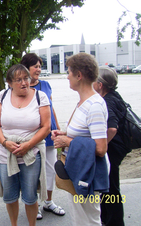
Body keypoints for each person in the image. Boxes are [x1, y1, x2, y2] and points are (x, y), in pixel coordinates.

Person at [0, 64, 51, 226]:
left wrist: (29, 145)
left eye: (26, 78)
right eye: (18, 80)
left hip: (31, 154)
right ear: (9, 82)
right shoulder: (2, 96)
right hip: (5, 153)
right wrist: (5, 142)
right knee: (10, 196)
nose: (24, 83)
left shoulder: (40, 97)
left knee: (30, 197)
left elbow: (46, 127)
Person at [51, 52, 108, 226]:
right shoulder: (83, 102)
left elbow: (100, 148)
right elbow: (84, 135)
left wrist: (68, 142)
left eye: (69, 72)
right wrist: (65, 136)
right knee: (80, 220)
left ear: (79, 75)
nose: (67, 76)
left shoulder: (95, 106)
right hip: (79, 168)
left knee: (88, 220)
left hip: (88, 172)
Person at [20, 53, 65, 220]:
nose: (38, 69)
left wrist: (58, 128)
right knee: (33, 171)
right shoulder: (22, 88)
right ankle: (34, 205)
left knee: (50, 169)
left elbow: (51, 108)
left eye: (40, 66)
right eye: (35, 66)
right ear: (26, 68)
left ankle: (48, 201)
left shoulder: (46, 85)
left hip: (50, 134)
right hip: (33, 135)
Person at [93, 66, 127, 226]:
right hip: (119, 147)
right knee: (110, 186)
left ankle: (113, 222)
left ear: (100, 85)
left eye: (94, 80)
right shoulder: (115, 96)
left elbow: (112, 127)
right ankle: (107, 219)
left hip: (112, 149)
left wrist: (102, 145)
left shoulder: (106, 101)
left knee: (110, 189)